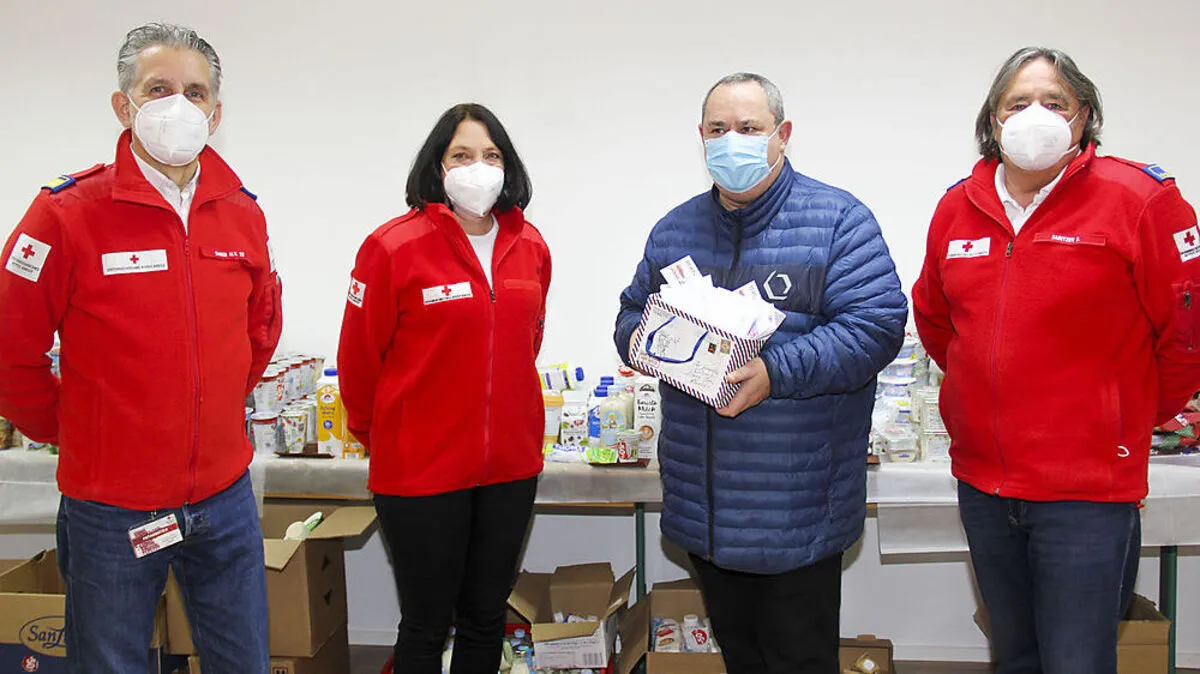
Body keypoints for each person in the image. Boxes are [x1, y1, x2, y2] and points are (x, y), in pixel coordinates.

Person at [0, 22, 281, 673]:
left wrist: (210, 411)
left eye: (194, 92)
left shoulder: (241, 212)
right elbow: (10, 348)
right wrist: (73, 427)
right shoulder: (66, 213)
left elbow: (259, 329)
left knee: (244, 661)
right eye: (159, 89)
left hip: (224, 497)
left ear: (215, 113)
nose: (178, 104)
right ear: (124, 106)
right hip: (111, 508)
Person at [912, 47, 1200, 674]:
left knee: (1076, 661)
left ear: (1083, 116)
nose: (1034, 115)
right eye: (1017, 103)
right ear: (993, 120)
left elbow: (1187, 333)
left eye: (1054, 102)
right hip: (985, 484)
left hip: (1087, 491)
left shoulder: (1139, 199)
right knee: (1015, 655)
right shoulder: (958, 205)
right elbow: (936, 320)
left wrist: (1125, 417)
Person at [614, 73, 907, 674]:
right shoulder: (675, 231)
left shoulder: (838, 221)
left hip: (798, 508)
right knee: (741, 658)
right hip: (706, 508)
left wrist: (774, 372)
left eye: (749, 128)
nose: (732, 141)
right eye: (718, 129)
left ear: (783, 134)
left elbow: (875, 326)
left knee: (799, 660)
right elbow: (629, 319)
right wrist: (662, 344)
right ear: (701, 137)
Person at [338, 103, 550, 674]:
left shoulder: (530, 245)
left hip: (509, 468)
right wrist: (386, 437)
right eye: (462, 155)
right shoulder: (392, 247)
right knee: (426, 625)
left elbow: (526, 341)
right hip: (420, 471)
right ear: (438, 166)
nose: (478, 168)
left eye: (491, 155)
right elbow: (358, 361)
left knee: (486, 619)